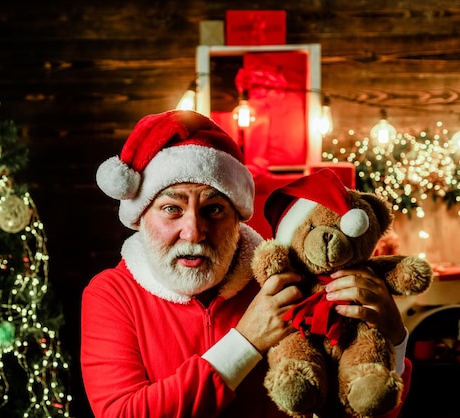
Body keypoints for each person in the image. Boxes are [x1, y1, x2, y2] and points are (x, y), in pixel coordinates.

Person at [81, 109, 411, 417]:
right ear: (140, 217)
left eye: (214, 209)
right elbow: (121, 412)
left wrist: (393, 338)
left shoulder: (289, 282)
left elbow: (355, 408)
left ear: (238, 218)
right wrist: (246, 342)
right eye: (172, 209)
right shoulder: (111, 294)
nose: (194, 231)